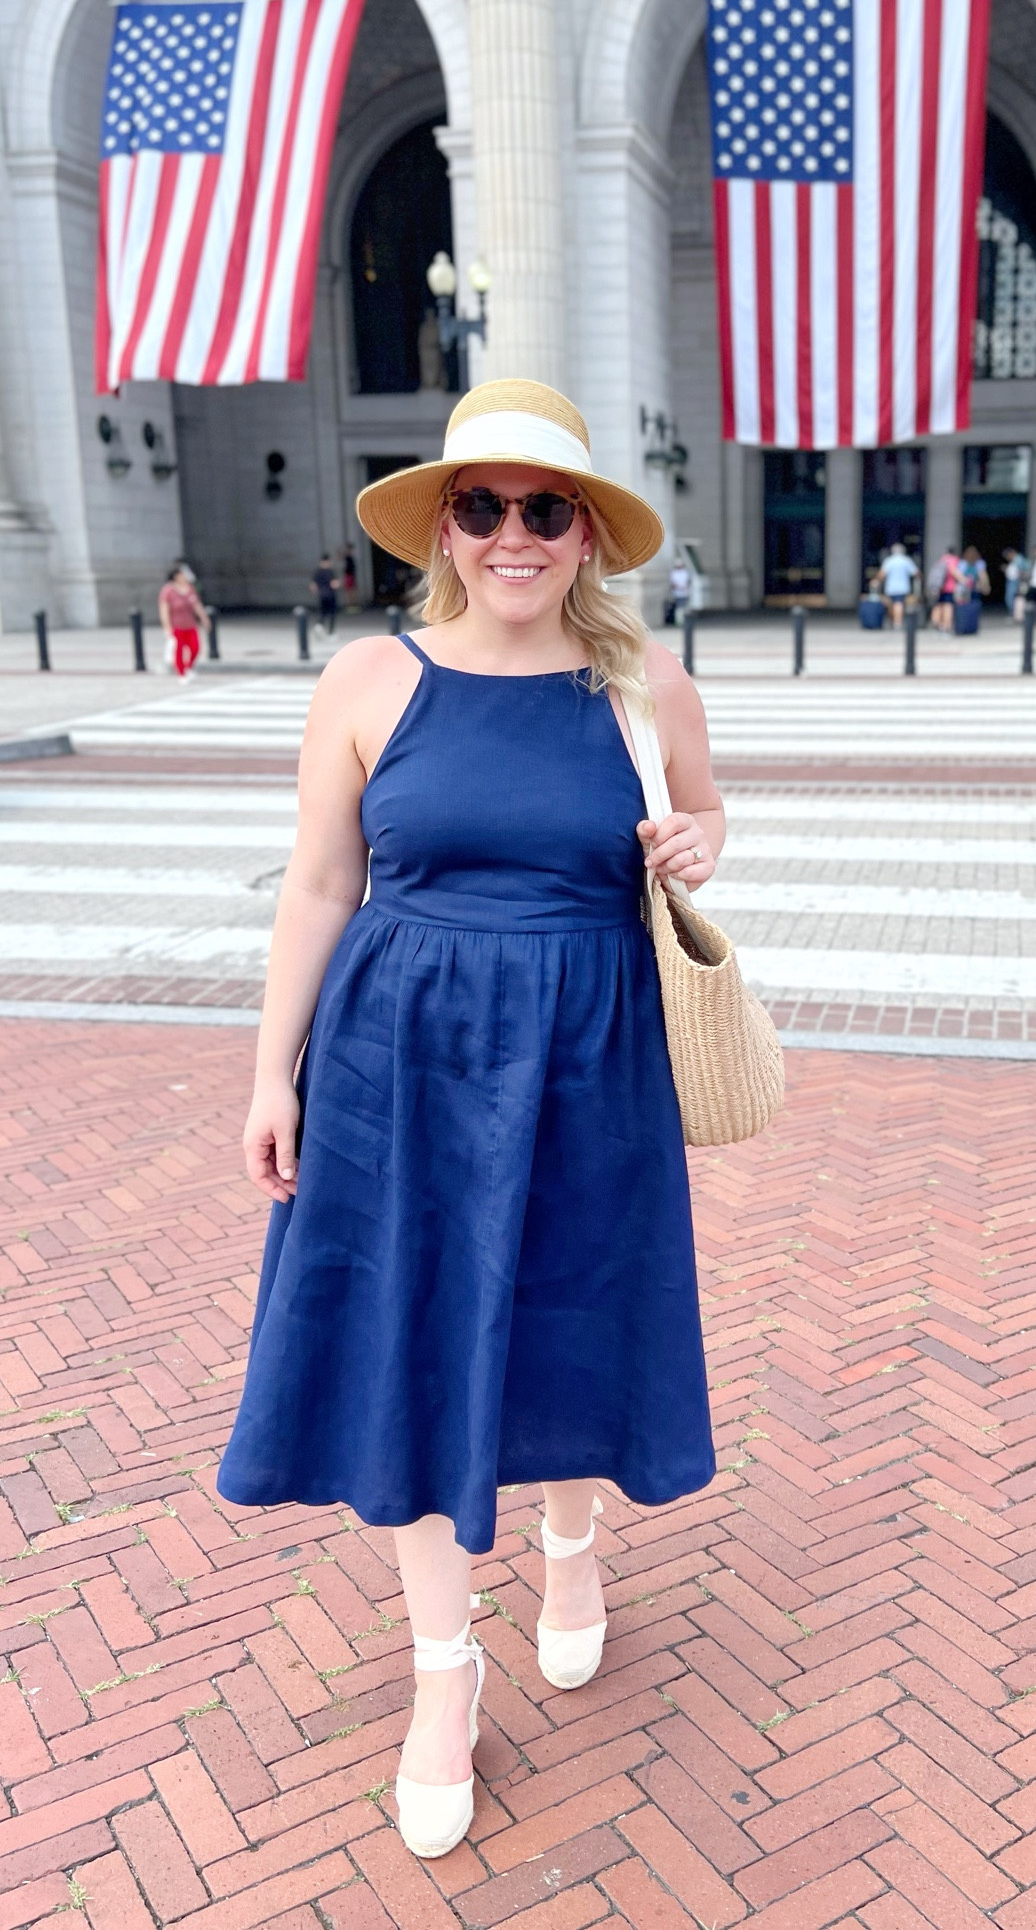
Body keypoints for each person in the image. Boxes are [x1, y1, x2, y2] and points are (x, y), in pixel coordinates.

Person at [219, 378, 721, 1862]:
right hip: (396, 1061)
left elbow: (704, 829)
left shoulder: (648, 689)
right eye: (484, 506)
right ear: (445, 525)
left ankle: (570, 1551)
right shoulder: (368, 681)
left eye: (544, 508)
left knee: (568, 1317)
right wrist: (270, 1072)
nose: (514, 534)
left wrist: (698, 842)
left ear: (586, 537)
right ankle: (445, 1671)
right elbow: (319, 885)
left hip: (589, 1055)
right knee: (409, 1338)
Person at [158, 562, 209, 678]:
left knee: (195, 648)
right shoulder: (168, 591)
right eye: (182, 574)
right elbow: (164, 610)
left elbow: (196, 605)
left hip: (190, 624)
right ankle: (181, 673)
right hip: (177, 626)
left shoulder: (189, 588)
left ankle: (188, 667)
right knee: (179, 651)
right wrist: (167, 627)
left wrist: (204, 618)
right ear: (176, 576)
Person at [878, 541, 919, 626]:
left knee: (892, 605)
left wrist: (878, 581)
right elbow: (915, 573)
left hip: (890, 587)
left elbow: (882, 573)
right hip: (903, 587)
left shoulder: (889, 560)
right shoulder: (906, 560)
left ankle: (894, 621)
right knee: (899, 604)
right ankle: (897, 622)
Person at [927, 546, 961, 632]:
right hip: (949, 587)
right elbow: (953, 571)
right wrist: (963, 579)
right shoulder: (953, 559)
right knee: (948, 605)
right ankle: (947, 625)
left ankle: (936, 623)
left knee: (938, 605)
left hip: (938, 587)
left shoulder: (942, 559)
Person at [311, 552, 339, 637]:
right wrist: (338, 584)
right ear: (328, 561)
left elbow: (313, 586)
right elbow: (333, 584)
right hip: (330, 595)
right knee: (332, 614)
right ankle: (331, 632)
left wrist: (319, 592)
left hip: (322, 595)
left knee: (323, 612)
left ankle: (318, 626)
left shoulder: (317, 571)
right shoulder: (330, 572)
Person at [664, 553, 693, 625]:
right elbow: (672, 583)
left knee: (683, 607)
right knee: (679, 608)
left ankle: (683, 620)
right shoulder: (674, 573)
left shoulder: (685, 572)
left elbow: (688, 582)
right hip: (677, 593)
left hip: (684, 592)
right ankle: (679, 621)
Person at [1004, 547, 1029, 618]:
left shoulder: (1019, 559)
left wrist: (1020, 578)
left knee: (1011, 598)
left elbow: (1023, 570)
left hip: (1016, 581)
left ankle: (1015, 614)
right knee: (1011, 597)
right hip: (1012, 580)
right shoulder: (1015, 560)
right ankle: (1014, 614)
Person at [342, 541, 360, 612]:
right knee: (350, 591)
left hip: (351, 575)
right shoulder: (347, 557)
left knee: (352, 591)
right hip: (349, 575)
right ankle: (351, 605)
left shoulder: (350, 557)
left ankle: (353, 605)